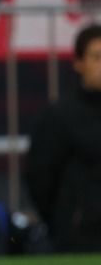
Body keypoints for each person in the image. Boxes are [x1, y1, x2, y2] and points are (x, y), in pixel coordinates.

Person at [28, 24, 101, 252]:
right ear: (78, 63)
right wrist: (64, 222)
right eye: (97, 57)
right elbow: (40, 177)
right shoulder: (58, 117)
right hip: (79, 239)